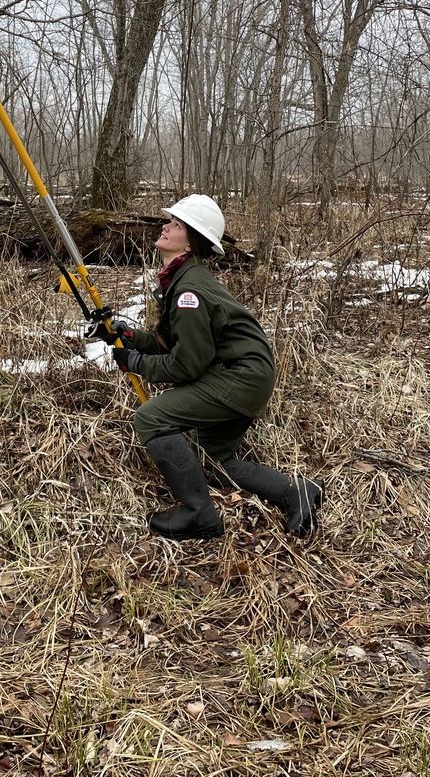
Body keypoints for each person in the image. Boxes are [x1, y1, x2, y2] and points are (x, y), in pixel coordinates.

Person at [97, 194, 323, 540]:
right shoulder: (182, 280)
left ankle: (198, 513)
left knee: (151, 417)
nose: (165, 225)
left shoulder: (189, 290)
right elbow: (174, 344)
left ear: (191, 240)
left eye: (175, 224)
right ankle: (296, 491)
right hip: (244, 375)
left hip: (239, 376)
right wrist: (129, 336)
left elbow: (187, 365)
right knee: (216, 461)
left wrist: (137, 363)